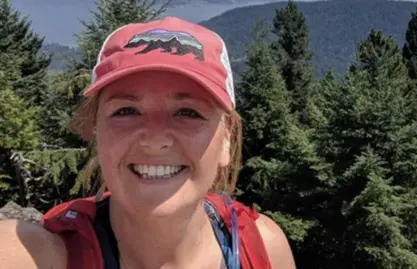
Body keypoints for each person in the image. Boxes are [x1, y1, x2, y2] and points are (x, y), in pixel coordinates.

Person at [0, 16, 296, 269]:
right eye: (126, 111)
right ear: (97, 133)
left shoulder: (261, 249)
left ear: (226, 141)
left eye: (188, 112)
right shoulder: (40, 256)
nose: (156, 139)